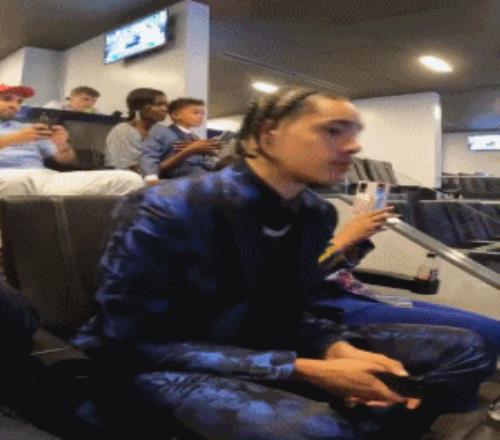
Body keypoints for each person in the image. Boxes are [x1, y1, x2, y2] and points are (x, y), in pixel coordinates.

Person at [78, 88, 496, 439]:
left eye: (354, 133)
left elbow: (294, 308)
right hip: (158, 363)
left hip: (267, 343)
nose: (354, 146)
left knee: (466, 350)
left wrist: (336, 348)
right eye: (333, 130)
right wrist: (303, 369)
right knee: (317, 430)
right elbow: (129, 341)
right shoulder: (168, 207)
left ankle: (369, 419)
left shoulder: (315, 212)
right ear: (269, 135)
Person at [316, 211, 500, 354]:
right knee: (489, 331)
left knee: (492, 328)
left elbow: (332, 267)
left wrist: (356, 241)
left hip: (356, 294)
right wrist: (344, 239)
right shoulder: (306, 212)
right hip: (327, 307)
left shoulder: (313, 208)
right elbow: (301, 275)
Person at [0, 83, 144, 196]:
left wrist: (62, 145)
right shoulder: (24, 133)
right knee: (14, 183)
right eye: (7, 99)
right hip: (6, 176)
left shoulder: (27, 129)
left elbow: (66, 161)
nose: (15, 106)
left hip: (43, 177)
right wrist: (14, 138)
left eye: (19, 101)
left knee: (129, 180)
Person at [140, 97, 220, 182]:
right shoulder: (161, 131)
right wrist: (151, 177)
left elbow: (205, 162)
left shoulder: (195, 137)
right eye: (196, 113)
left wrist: (212, 154)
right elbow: (149, 155)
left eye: (202, 114)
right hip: (178, 179)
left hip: (202, 176)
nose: (201, 116)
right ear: (176, 115)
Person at [104, 88, 168, 171]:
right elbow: (125, 167)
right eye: (159, 105)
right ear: (139, 107)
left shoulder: (162, 132)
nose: (165, 109)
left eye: (166, 105)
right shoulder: (123, 131)